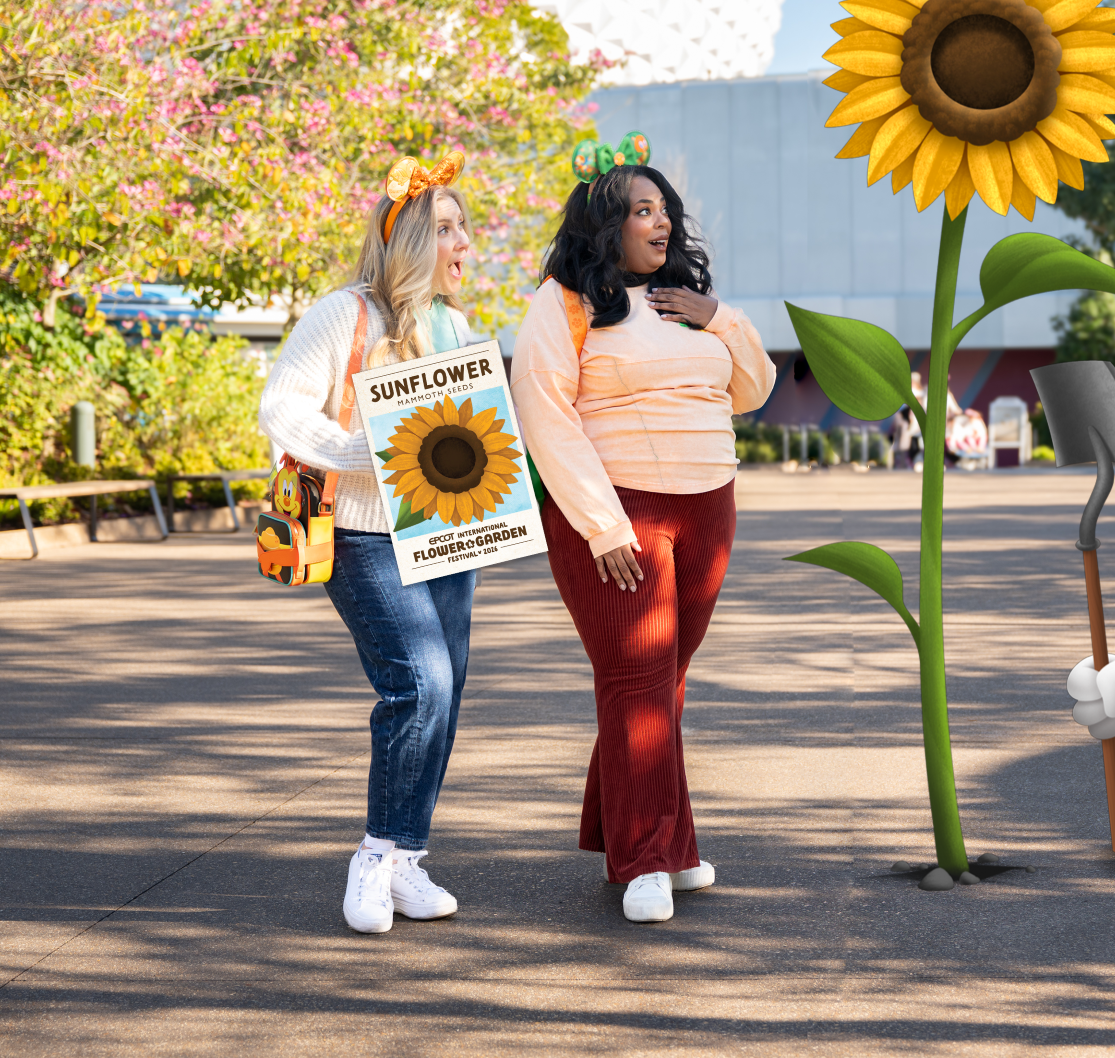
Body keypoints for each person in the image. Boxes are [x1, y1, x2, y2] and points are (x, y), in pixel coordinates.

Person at [512, 138, 774, 924]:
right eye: (642, 211)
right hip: (617, 512)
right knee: (638, 683)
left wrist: (720, 317)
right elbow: (545, 415)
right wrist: (602, 525)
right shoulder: (564, 302)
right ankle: (646, 860)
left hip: (708, 507)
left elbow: (752, 390)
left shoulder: (688, 306)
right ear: (605, 224)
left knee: (663, 684)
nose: (661, 224)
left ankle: (650, 836)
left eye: (666, 211)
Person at [258, 151, 481, 935]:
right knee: (417, 683)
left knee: (447, 691)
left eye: (466, 229)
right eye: (449, 228)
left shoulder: (456, 326)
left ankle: (408, 861)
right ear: (410, 239)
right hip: (361, 534)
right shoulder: (343, 315)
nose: (466, 244)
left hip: (447, 532)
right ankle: (376, 854)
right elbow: (281, 408)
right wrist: (369, 450)